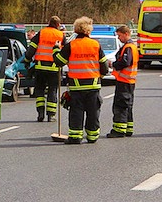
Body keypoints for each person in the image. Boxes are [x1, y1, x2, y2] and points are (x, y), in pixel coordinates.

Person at [54, 16, 109, 144]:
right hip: (93, 86)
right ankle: (92, 136)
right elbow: (104, 67)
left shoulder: (71, 45)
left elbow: (59, 62)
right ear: (88, 30)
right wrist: (100, 76)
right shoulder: (95, 45)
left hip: (76, 87)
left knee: (76, 112)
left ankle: (75, 137)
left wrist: (56, 48)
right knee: (93, 112)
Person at [24, 16, 65, 122]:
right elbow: (65, 53)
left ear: (48, 22)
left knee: (39, 91)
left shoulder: (41, 33)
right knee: (52, 90)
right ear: (58, 25)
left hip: (40, 67)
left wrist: (27, 61)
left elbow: (31, 50)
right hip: (54, 68)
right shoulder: (61, 35)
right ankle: (51, 115)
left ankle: (40, 113)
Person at [107, 25, 138, 137]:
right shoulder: (131, 46)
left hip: (124, 81)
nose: (119, 38)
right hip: (129, 81)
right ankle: (128, 128)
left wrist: (113, 64)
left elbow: (125, 62)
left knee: (120, 106)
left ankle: (119, 130)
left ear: (126, 34)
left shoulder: (128, 47)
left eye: (120, 36)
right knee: (128, 105)